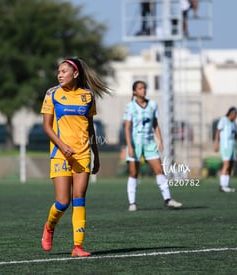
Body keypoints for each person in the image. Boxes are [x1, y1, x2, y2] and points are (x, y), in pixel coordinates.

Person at [40, 58, 111, 257]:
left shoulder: (87, 96)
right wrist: (62, 146)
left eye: (64, 71)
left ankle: (77, 247)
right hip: (60, 154)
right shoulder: (52, 94)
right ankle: (50, 226)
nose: (60, 75)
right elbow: (46, 126)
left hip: (82, 154)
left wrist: (95, 154)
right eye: (58, 72)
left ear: (76, 74)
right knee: (63, 202)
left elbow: (89, 127)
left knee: (79, 198)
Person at [124, 80, 182, 211]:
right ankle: (132, 203)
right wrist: (130, 146)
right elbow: (127, 127)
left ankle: (168, 199)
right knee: (134, 172)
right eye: (140, 88)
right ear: (134, 91)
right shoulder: (130, 107)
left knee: (159, 170)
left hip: (150, 143)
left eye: (144, 88)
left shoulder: (153, 105)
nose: (143, 90)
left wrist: (160, 140)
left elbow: (155, 124)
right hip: (135, 143)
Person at [214, 106, 237, 192]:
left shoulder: (233, 123)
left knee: (231, 165)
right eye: (235, 114)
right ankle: (222, 185)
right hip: (225, 146)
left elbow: (236, 135)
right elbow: (218, 131)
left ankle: (226, 184)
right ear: (231, 113)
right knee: (226, 164)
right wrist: (216, 143)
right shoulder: (223, 120)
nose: (236, 116)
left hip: (232, 146)